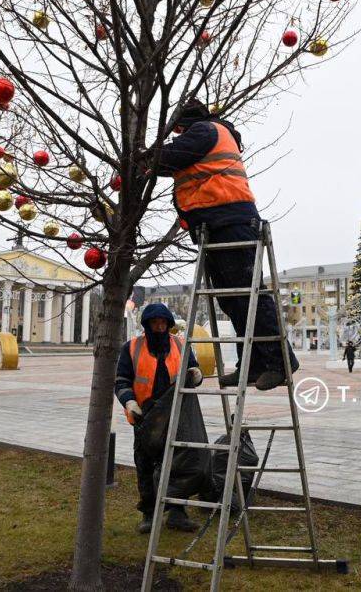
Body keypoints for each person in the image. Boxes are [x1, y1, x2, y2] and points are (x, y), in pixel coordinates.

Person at [150, 98, 299, 391]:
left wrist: (142, 156)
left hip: (230, 220)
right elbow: (171, 163)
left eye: (178, 127)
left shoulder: (206, 131)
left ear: (183, 122)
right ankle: (254, 363)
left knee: (248, 294)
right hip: (218, 224)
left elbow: (170, 157)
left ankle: (280, 362)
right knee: (233, 300)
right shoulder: (208, 134)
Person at [114, 303, 205, 534]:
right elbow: (121, 381)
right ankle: (149, 513)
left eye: (163, 323)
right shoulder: (132, 348)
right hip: (145, 416)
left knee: (178, 464)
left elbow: (192, 370)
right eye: (155, 323)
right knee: (145, 465)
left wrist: (196, 374)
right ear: (147, 325)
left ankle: (177, 512)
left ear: (169, 325)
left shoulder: (179, 345)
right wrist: (130, 402)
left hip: (175, 415)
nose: (159, 327)